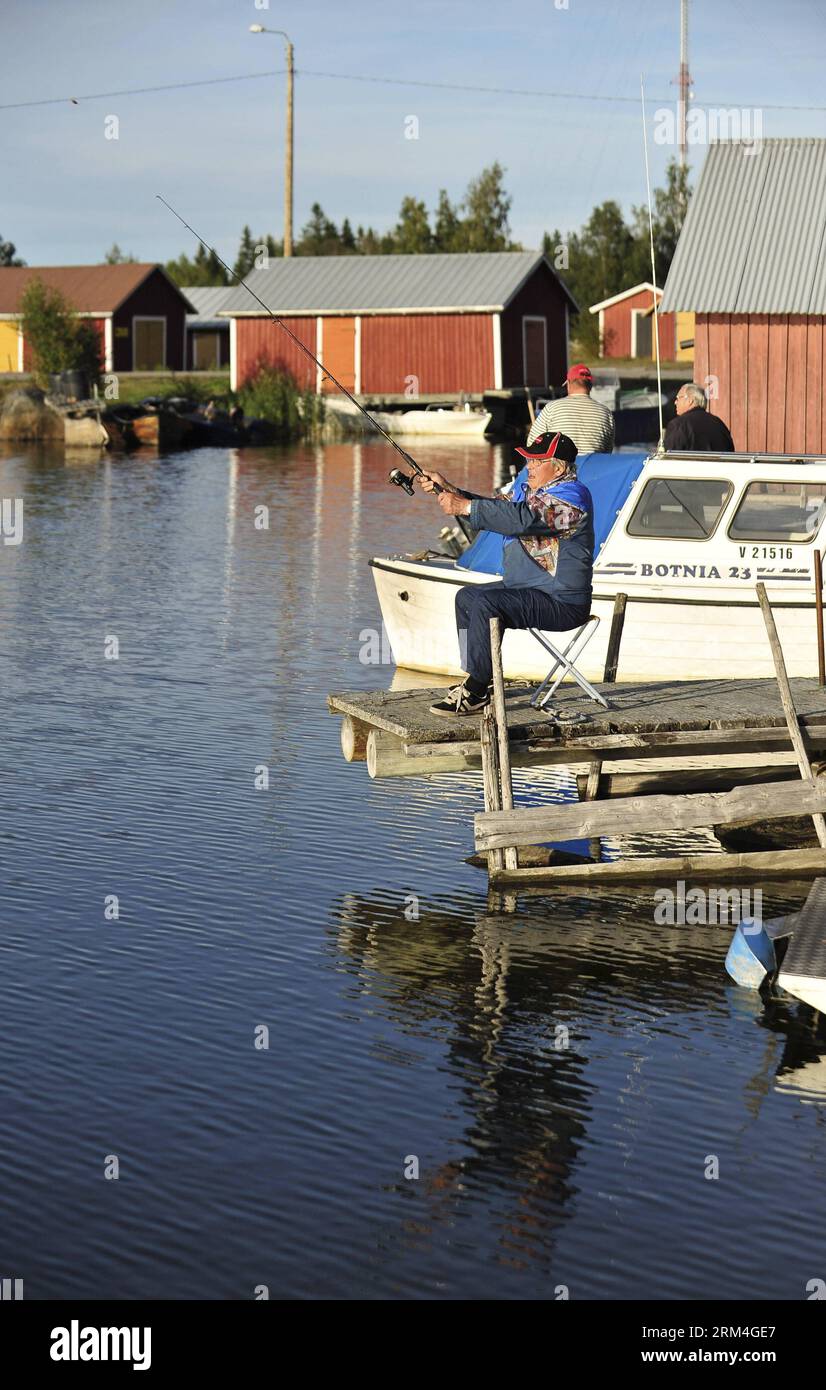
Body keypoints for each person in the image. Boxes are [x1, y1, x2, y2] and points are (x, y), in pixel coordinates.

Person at [419, 432, 594, 717]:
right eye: (528, 461)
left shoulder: (573, 498)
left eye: (536, 462)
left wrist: (463, 506)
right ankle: (476, 680)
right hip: (529, 591)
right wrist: (447, 489)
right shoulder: (527, 492)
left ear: (559, 468)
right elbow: (497, 509)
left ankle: (475, 691)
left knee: (488, 605)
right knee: (467, 598)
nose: (529, 467)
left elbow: (525, 519)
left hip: (563, 602)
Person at [528, 363, 614, 455]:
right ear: (590, 386)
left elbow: (533, 442)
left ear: (568, 384)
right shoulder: (606, 413)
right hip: (592, 467)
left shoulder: (552, 408)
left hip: (561, 468)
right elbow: (607, 451)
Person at [664, 383, 735, 451]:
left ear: (690, 400)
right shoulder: (719, 424)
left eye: (678, 398)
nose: (675, 402)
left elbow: (669, 456)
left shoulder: (678, 424)